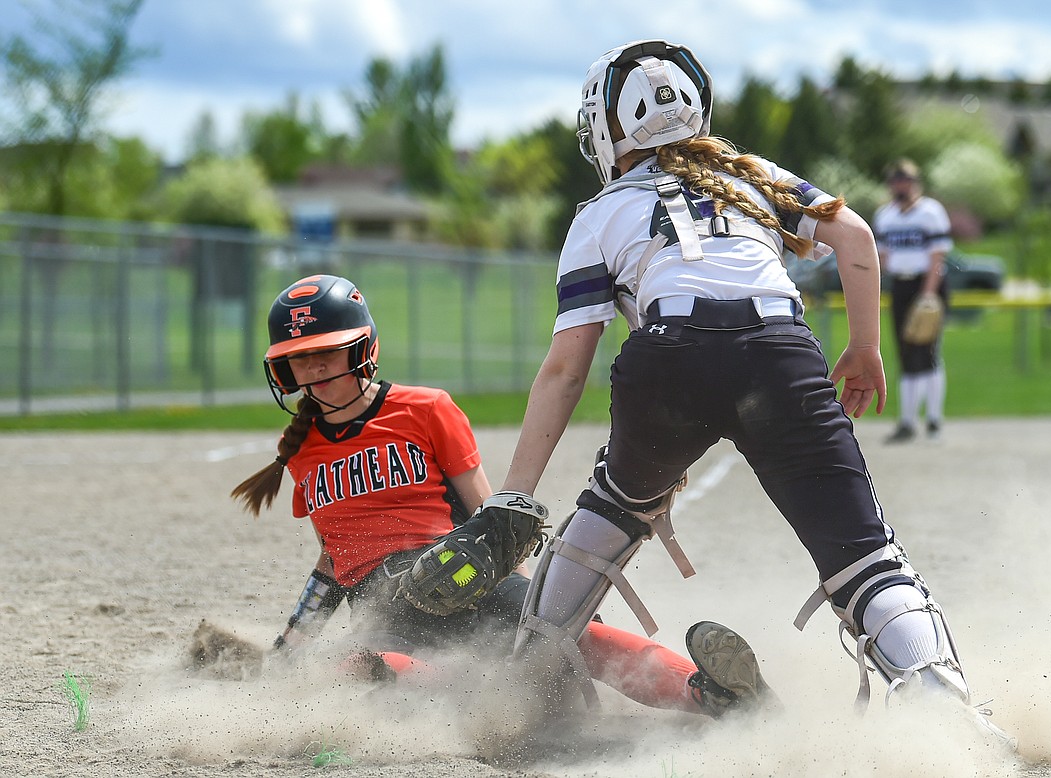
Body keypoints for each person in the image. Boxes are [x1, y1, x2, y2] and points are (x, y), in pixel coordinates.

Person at [405, 40, 1009, 743]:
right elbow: (855, 235)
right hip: (781, 352)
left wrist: (516, 493)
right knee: (862, 555)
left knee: (613, 507)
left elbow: (568, 367)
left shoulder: (599, 213)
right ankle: (940, 696)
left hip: (669, 360)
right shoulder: (752, 176)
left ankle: (529, 680)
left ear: (608, 129)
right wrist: (867, 348)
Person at [229, 272, 771, 720]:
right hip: (383, 607)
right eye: (299, 358)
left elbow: (494, 518)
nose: (314, 368)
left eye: (327, 352)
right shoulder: (299, 449)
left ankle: (715, 695)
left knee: (564, 636)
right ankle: (494, 696)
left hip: (454, 572)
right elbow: (332, 557)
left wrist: (530, 600)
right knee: (349, 668)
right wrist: (292, 643)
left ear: (362, 347)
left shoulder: (425, 409)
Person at [873, 159, 953, 443]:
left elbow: (937, 256)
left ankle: (933, 419)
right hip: (902, 285)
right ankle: (907, 421)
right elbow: (882, 257)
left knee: (929, 352)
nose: (899, 185)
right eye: (895, 180)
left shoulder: (930, 212)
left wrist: (929, 293)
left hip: (927, 285)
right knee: (906, 352)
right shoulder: (886, 216)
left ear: (915, 181)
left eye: (904, 179)